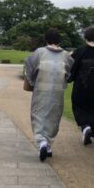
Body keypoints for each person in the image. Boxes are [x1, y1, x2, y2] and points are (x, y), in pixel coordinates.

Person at [24, 28, 74, 161]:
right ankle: (48, 144)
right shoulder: (66, 55)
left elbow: (29, 66)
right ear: (59, 41)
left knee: (38, 114)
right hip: (57, 92)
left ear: (46, 39)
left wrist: (32, 81)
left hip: (40, 90)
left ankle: (42, 141)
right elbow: (69, 72)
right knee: (54, 116)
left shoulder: (40, 52)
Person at [69, 27, 94, 145]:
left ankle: (85, 127)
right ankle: (90, 129)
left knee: (78, 107)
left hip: (80, 87)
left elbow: (72, 67)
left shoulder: (79, 51)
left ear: (85, 38)